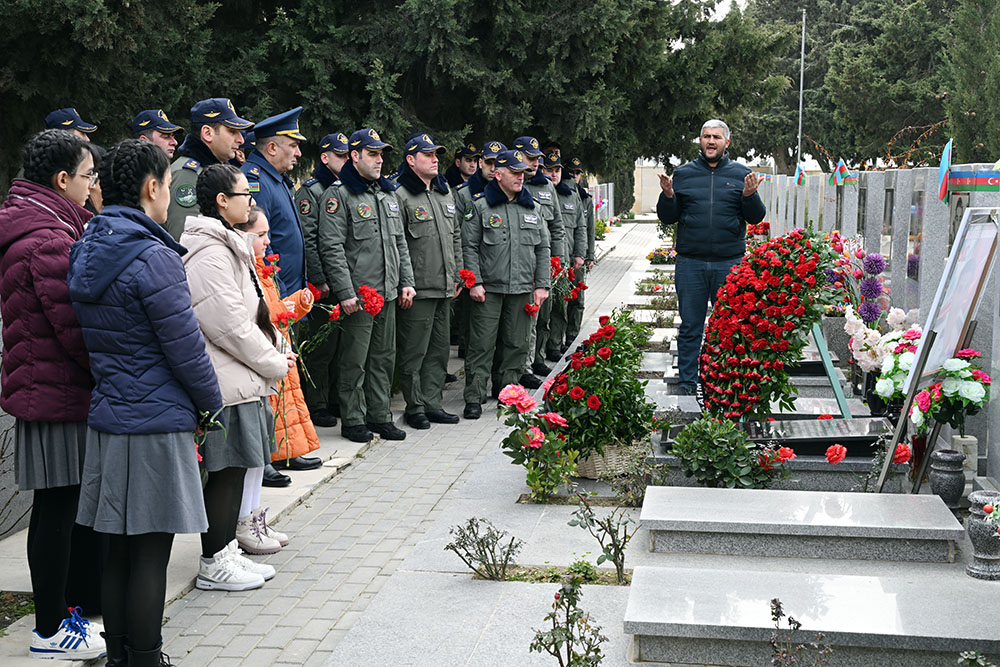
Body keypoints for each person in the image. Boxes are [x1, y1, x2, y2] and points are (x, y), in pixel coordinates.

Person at [67, 139, 224, 667]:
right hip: (156, 423)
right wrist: (212, 405)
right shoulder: (153, 256)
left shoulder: (86, 246)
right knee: (152, 552)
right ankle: (147, 658)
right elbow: (186, 349)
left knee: (119, 550)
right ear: (152, 186)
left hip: (110, 417)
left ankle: (117, 657)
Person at [0, 129, 104, 661]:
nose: (94, 186)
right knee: (57, 512)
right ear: (62, 180)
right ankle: (48, 629)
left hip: (51, 388)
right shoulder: (47, 239)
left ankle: (66, 616)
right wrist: (113, 367)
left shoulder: (47, 224)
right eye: (88, 177)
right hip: (56, 392)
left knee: (59, 509)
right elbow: (74, 328)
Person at [181, 163, 294, 590]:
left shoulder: (227, 244)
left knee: (236, 467)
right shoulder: (209, 252)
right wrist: (272, 361)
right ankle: (214, 562)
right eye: (245, 194)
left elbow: (252, 313)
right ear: (222, 201)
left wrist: (276, 347)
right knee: (226, 471)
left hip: (242, 376)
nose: (252, 201)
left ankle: (226, 550)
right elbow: (227, 325)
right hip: (227, 379)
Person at [319, 128, 415, 443]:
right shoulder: (339, 195)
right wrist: (345, 293)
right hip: (360, 296)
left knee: (384, 358)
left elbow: (400, 243)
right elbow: (331, 248)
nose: (379, 160)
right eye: (372, 154)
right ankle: (353, 419)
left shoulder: (387, 194)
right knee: (354, 361)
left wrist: (406, 282)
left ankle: (380, 415)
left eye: (381, 154)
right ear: (355, 156)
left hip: (387, 292)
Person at [656, 119, 766, 395]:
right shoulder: (683, 174)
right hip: (690, 264)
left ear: (726, 143)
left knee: (729, 326)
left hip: (729, 264)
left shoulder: (741, 173)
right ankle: (688, 383)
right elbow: (667, 217)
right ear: (700, 141)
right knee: (691, 325)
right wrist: (668, 195)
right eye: (706, 136)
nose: (711, 141)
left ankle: (723, 383)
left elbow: (755, 217)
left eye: (716, 137)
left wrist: (750, 195)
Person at [232, 206, 318, 554]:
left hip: (271, 359)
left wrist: (295, 305)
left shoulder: (261, 270)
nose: (268, 241)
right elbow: (257, 319)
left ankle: (254, 518)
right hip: (258, 365)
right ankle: (244, 523)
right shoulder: (243, 269)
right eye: (261, 235)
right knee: (253, 454)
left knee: (260, 451)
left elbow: (272, 312)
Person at [461, 150, 550, 419]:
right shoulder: (480, 206)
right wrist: (474, 282)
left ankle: (507, 394)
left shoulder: (532, 207)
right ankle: (474, 397)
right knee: (481, 345)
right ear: (498, 174)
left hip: (522, 289)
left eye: (522, 172)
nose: (520, 177)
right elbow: (469, 246)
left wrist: (542, 285)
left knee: (517, 344)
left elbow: (543, 247)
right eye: (514, 172)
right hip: (488, 289)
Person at [394, 134, 462, 429]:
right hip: (418, 288)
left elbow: (455, 236)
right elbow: (398, 244)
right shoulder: (401, 194)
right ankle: (415, 405)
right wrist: (404, 282)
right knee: (414, 350)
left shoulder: (444, 192)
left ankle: (433, 402)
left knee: (438, 350)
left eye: (437, 154)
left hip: (444, 285)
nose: (436, 159)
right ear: (411, 160)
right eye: (428, 154)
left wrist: (458, 273)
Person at [296, 132, 350, 429]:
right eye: (340, 155)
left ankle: (333, 399)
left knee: (341, 345)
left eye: (347, 155)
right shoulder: (312, 191)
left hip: (343, 280)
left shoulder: (345, 190)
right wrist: (319, 277)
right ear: (325, 158)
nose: (346, 160)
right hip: (325, 283)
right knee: (321, 345)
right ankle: (316, 402)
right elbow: (310, 238)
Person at [164, 98, 254, 242]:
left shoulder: (211, 171)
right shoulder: (188, 174)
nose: (241, 139)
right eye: (232, 131)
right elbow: (186, 241)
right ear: (207, 133)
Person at [514, 135, 565, 386]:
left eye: (537, 159)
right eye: (529, 158)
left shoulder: (547, 187)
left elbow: (557, 226)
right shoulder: (514, 183)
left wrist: (560, 260)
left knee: (542, 316)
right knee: (525, 320)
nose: (534, 163)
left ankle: (537, 358)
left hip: (544, 263)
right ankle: (522, 367)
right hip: (520, 262)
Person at [243, 107, 308, 299]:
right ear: (272, 148)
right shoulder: (256, 181)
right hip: (278, 295)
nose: (299, 153)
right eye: (294, 145)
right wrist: (279, 293)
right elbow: (260, 244)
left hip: (288, 292)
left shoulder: (275, 178)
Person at [452, 141, 505, 359]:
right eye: (489, 162)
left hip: (499, 271)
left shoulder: (511, 192)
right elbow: (457, 235)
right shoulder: (464, 195)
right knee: (471, 325)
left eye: (498, 163)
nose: (493, 169)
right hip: (473, 271)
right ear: (481, 162)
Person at [540, 151, 586, 361]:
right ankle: (539, 351)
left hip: (565, 260)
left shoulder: (571, 195)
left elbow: (580, 227)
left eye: (557, 169)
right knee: (543, 311)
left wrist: (581, 254)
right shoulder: (539, 191)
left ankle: (554, 345)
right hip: (543, 261)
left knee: (560, 306)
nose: (553, 174)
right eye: (548, 169)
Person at [564, 156, 596, 346]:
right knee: (561, 300)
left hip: (579, 257)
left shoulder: (585, 199)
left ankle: (572, 334)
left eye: (578, 172)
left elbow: (589, 229)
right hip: (564, 254)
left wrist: (589, 255)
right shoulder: (562, 194)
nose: (575, 176)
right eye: (571, 172)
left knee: (578, 298)